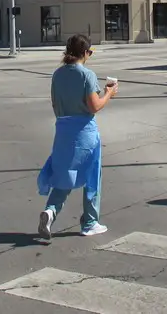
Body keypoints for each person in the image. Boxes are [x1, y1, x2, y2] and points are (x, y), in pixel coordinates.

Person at [37, 33, 118, 239]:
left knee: (64, 174)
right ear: (84, 52)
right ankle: (90, 222)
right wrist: (109, 93)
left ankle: (50, 211)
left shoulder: (57, 74)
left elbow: (55, 104)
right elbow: (94, 106)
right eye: (90, 52)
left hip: (63, 130)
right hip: (84, 132)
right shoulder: (87, 75)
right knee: (92, 175)